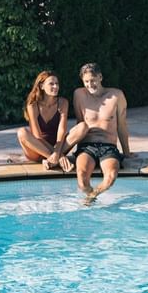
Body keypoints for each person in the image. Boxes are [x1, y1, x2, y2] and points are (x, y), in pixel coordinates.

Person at [55, 62, 133, 204]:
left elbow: (122, 126)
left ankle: (92, 197)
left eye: (93, 80)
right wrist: (62, 153)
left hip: (108, 147)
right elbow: (80, 125)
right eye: (86, 81)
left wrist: (126, 152)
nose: (90, 84)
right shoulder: (79, 94)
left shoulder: (116, 95)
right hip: (87, 146)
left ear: (100, 77)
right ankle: (91, 194)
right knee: (82, 179)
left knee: (110, 177)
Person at [16, 71, 73, 172]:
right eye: (51, 83)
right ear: (41, 86)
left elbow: (62, 131)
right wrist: (59, 157)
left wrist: (57, 152)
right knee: (22, 132)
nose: (55, 86)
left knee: (82, 127)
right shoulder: (33, 105)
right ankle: (53, 159)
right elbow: (37, 136)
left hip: (58, 146)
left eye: (57, 83)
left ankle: (50, 160)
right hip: (36, 149)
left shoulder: (63, 102)